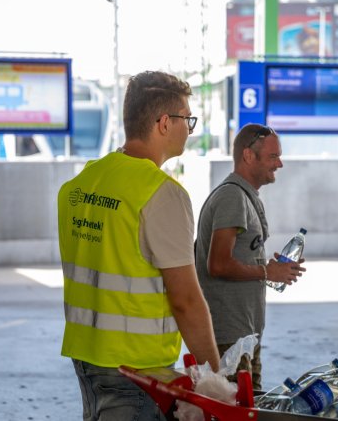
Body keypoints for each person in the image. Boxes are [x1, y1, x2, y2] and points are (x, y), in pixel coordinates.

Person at [57, 70, 220, 421]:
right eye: (186, 120)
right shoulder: (162, 195)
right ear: (164, 123)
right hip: (137, 368)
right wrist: (214, 377)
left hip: (86, 357)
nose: (189, 130)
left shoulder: (81, 185)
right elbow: (186, 300)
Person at [194, 123, 305, 390]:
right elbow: (218, 264)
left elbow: (236, 256)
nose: (279, 164)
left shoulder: (244, 195)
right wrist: (267, 272)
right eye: (273, 157)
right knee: (232, 411)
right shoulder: (232, 196)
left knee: (249, 407)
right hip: (229, 339)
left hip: (244, 336)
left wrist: (269, 267)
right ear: (247, 156)